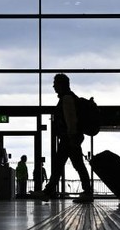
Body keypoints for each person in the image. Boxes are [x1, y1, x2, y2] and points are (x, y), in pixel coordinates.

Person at [33, 73, 93, 203]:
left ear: (61, 85)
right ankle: (48, 192)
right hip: (70, 138)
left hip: (69, 138)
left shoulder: (67, 99)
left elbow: (70, 119)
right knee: (65, 165)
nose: (53, 86)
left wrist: (72, 136)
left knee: (69, 165)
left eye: (55, 83)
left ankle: (87, 192)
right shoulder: (69, 98)